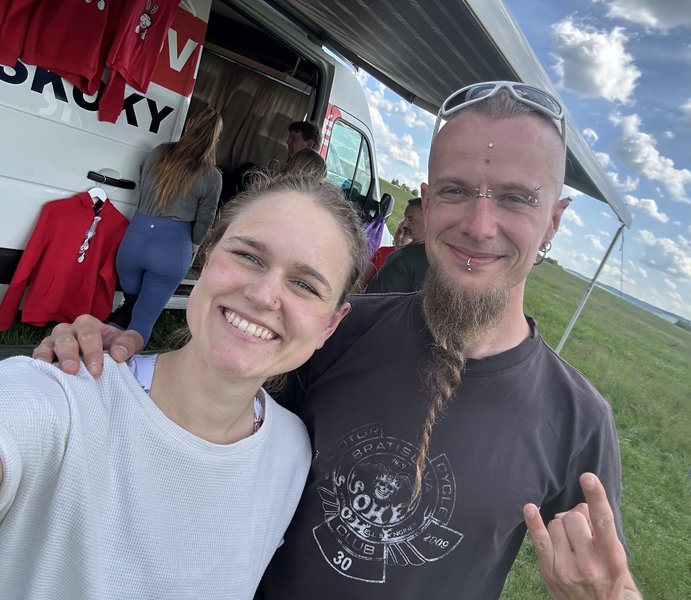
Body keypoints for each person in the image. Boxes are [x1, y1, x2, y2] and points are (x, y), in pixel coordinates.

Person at [33, 82, 641, 599]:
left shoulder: (577, 421)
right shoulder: (336, 330)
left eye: (516, 198)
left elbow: (606, 576)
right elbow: (201, 405)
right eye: (456, 190)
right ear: (427, 203)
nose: (481, 225)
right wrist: (98, 365)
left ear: (553, 222)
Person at [0, 174, 368, 599]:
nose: (263, 294)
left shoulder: (293, 453)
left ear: (330, 325)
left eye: (304, 285)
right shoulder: (63, 398)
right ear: (206, 257)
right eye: (248, 255)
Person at [106, 107, 224, 346]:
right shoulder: (211, 176)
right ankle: (119, 363)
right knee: (142, 320)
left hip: (134, 241)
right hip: (171, 247)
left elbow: (142, 182)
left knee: (129, 304)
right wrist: (193, 246)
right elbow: (205, 218)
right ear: (216, 139)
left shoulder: (159, 152)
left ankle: (98, 350)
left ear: (189, 125)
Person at [366, 196, 429, 293]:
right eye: (405, 218)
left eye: (411, 219)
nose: (404, 224)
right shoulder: (410, 250)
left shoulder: (425, 260)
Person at [358, 221, 413, 291]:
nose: (400, 237)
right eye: (399, 231)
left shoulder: (413, 265)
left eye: (406, 234)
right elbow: (362, 281)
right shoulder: (382, 251)